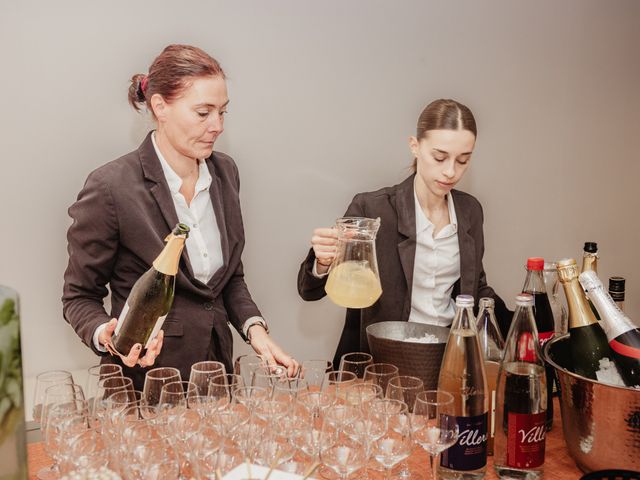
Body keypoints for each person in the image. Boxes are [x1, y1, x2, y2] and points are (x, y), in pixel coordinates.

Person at [63, 44, 298, 389]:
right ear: (160, 107)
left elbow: (229, 278)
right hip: (143, 384)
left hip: (217, 379)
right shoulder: (111, 186)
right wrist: (108, 334)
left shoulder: (225, 173)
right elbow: (78, 297)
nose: (217, 126)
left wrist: (256, 332)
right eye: (203, 113)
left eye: (223, 112)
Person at [297, 99, 511, 368]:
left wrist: (522, 322)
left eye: (463, 160)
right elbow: (310, 291)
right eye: (440, 157)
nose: (450, 171)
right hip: (379, 363)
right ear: (415, 146)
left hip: (447, 361)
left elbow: (475, 288)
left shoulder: (470, 211)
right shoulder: (373, 208)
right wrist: (323, 262)